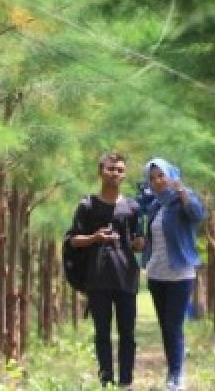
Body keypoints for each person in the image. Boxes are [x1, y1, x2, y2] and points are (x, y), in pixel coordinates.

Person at [65, 151, 145, 388]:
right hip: (97, 278)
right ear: (100, 171)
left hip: (126, 277)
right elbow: (72, 240)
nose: (115, 173)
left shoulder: (133, 207)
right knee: (102, 334)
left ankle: (126, 382)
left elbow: (138, 242)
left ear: (124, 174)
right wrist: (94, 237)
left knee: (127, 334)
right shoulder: (87, 206)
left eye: (120, 169)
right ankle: (106, 381)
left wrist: (139, 244)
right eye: (110, 169)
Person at [142, 157, 205, 391]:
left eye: (161, 175)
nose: (157, 181)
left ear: (170, 175)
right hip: (156, 274)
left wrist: (183, 192)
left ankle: (177, 375)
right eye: (152, 178)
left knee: (173, 326)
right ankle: (173, 373)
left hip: (180, 273)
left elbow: (198, 216)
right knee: (165, 327)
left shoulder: (181, 199)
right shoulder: (155, 206)